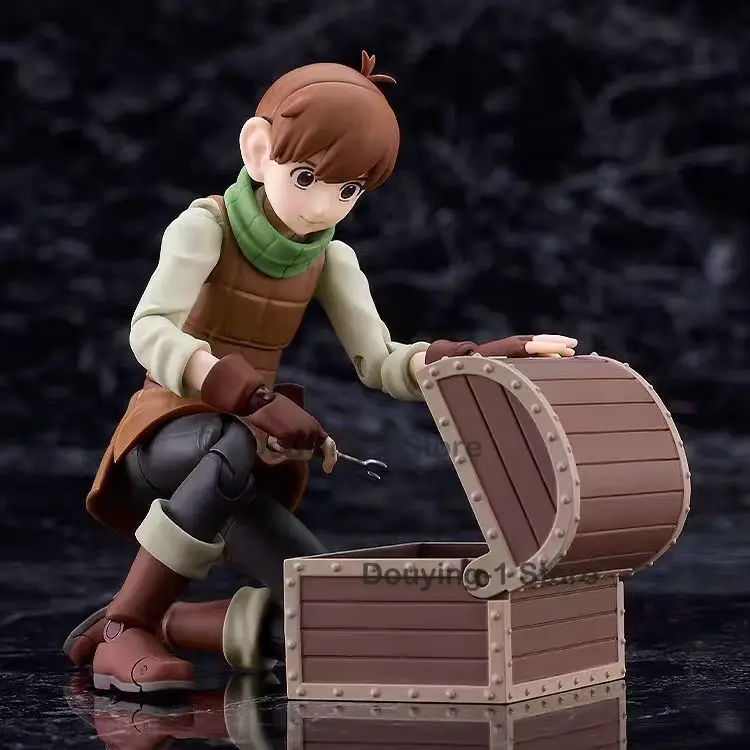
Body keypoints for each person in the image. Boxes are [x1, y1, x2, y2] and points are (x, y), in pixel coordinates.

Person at [63, 51, 577, 694]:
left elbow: (382, 362)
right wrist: (250, 396)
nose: (323, 204)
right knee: (233, 440)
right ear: (259, 151)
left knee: (333, 605)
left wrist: (477, 357)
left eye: (348, 190)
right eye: (306, 177)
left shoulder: (331, 259)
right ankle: (125, 627)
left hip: (242, 460)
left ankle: (166, 622)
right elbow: (148, 331)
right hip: (166, 436)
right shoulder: (205, 227)